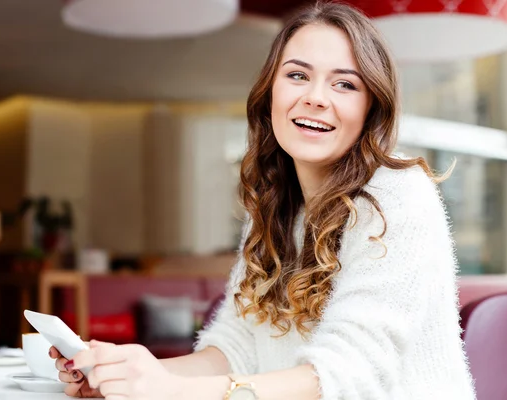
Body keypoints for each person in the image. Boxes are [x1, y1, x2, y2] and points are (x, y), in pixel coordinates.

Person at [50, 2, 476, 399]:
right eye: (297, 75)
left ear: (371, 109)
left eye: (345, 84)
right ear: (270, 93)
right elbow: (237, 349)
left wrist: (173, 391)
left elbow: (350, 371)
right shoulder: (276, 204)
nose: (315, 97)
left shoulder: (396, 193)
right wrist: (127, 374)